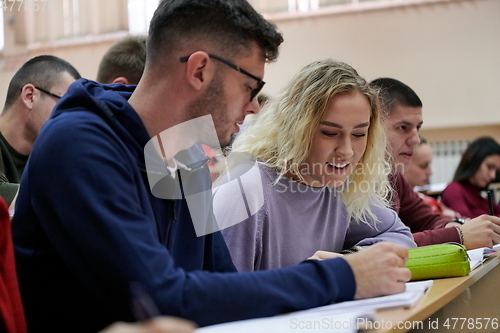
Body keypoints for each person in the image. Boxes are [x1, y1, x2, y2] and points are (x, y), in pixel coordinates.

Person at [12, 1, 410, 332]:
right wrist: (345, 277)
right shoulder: (80, 145)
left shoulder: (185, 149)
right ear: (199, 70)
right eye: (250, 87)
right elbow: (161, 298)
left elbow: (222, 280)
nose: (254, 106)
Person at [215, 59, 416, 272]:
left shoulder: (339, 184)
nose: (347, 150)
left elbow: (400, 236)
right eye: (329, 133)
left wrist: (350, 261)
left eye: (359, 134)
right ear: (295, 127)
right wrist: (318, 279)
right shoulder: (244, 190)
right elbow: (222, 296)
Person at [370, 78, 500, 249]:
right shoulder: (351, 180)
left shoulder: (394, 177)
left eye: (418, 128)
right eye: (403, 127)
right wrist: (459, 234)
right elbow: (372, 247)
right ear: (372, 126)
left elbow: (428, 220)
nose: (416, 139)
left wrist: (458, 228)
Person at [0, 55, 80, 207]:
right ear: (30, 96)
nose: (72, 117)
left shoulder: (51, 152)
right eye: (66, 103)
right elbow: (2, 199)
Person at [404, 137, 463, 219]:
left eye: (429, 165)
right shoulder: (419, 205)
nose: (430, 172)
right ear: (402, 164)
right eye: (423, 166)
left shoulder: (427, 201)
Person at [442, 137, 500, 218]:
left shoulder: (480, 197)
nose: (493, 176)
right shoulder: (454, 190)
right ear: (474, 160)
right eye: (489, 167)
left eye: (496, 171)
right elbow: (468, 225)